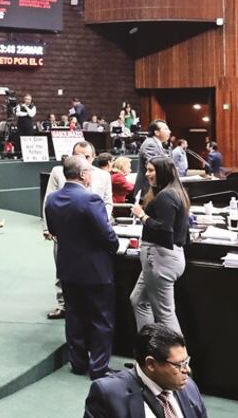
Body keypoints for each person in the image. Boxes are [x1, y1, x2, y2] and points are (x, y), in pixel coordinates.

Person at [45, 155, 118, 380]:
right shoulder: (91, 200)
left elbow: (54, 230)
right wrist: (114, 244)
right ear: (83, 174)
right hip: (95, 270)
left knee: (74, 317)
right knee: (101, 319)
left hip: (68, 268)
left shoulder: (52, 199)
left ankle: (78, 363)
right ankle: (98, 368)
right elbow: (107, 236)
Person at [43, 141, 112, 319]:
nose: (82, 159)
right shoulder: (59, 172)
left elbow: (108, 202)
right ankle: (63, 305)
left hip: (94, 233)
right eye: (78, 155)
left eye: (87, 156)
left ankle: (81, 309)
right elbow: (48, 199)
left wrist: (103, 220)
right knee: (62, 271)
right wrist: (47, 228)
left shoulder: (103, 176)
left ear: (94, 157)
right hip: (64, 232)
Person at [84, 323, 207, 418]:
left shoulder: (189, 388)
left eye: (186, 362)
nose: (187, 370)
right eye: (179, 365)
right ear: (151, 364)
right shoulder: (108, 394)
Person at [130, 156, 189, 334]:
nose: (147, 174)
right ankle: (148, 353)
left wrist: (142, 215)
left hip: (160, 258)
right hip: (163, 257)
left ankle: (179, 361)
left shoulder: (166, 195)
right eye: (147, 170)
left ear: (163, 172)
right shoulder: (174, 191)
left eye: (151, 170)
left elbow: (164, 229)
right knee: (138, 300)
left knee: (165, 314)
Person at [133, 120, 171, 201]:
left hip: (152, 190)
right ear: (157, 132)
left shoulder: (155, 143)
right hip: (148, 190)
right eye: (166, 129)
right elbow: (156, 167)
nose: (169, 131)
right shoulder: (150, 144)